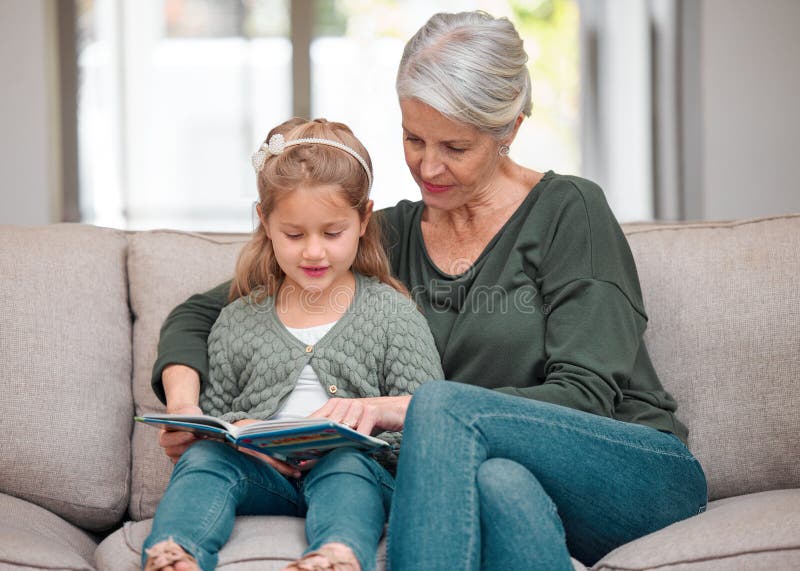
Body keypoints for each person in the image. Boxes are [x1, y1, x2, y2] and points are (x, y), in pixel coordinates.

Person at [153, 11, 708, 571]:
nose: (428, 165)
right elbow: (200, 314)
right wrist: (185, 408)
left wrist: (401, 409)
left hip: (632, 469)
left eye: (456, 147)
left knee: (440, 404)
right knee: (496, 481)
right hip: (501, 471)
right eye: (413, 138)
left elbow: (589, 396)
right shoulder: (384, 237)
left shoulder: (570, 211)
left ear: (509, 128)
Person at [142, 118, 443, 571]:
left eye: (332, 232)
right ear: (264, 222)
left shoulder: (392, 315)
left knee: (345, 467)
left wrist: (362, 439)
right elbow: (218, 413)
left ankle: (336, 555)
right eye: (294, 235)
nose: (313, 252)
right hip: (266, 477)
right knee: (206, 457)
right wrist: (239, 432)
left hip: (357, 473)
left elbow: (429, 423)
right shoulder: (240, 317)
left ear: (364, 219)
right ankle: (174, 552)